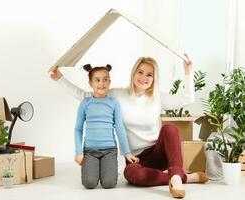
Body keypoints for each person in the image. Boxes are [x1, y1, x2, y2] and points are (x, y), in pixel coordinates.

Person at [50, 54, 208, 198]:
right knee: (131, 174)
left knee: (170, 129)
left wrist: (188, 72)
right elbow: (85, 95)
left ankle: (175, 177)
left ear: (154, 79)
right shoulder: (117, 95)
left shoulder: (158, 97)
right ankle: (184, 177)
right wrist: (60, 79)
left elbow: (187, 98)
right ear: (133, 73)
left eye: (149, 74)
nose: (143, 77)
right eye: (140, 72)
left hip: (158, 153)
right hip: (135, 159)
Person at [74, 64, 139, 189]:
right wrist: (78, 152)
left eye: (105, 79)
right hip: (89, 151)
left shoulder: (113, 102)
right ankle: (94, 169)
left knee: (109, 184)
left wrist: (127, 153)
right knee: (89, 183)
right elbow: (78, 129)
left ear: (109, 82)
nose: (101, 83)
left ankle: (106, 169)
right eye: (97, 80)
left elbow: (119, 128)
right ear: (90, 83)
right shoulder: (85, 103)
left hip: (109, 151)